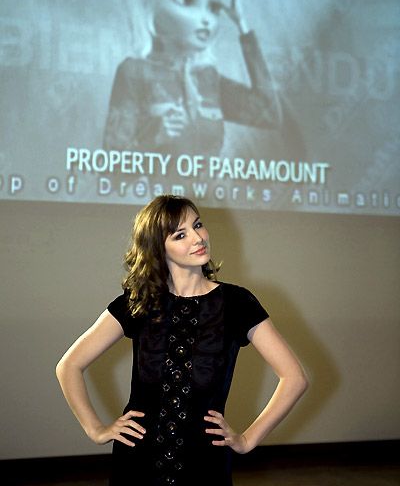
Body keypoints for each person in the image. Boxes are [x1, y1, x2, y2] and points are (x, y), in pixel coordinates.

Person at [56, 194, 309, 486]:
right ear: (157, 247)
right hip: (137, 462)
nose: (198, 238)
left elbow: (295, 378)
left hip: (205, 465)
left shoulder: (237, 302)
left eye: (198, 225)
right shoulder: (139, 303)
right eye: (180, 234)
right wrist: (96, 430)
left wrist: (247, 440)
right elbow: (68, 366)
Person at [103, 0, 302, 161]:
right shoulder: (134, 73)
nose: (206, 19)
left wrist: (241, 24)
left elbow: (268, 114)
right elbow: (113, 165)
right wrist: (155, 136)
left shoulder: (207, 78)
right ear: (146, 0)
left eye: (214, 7)